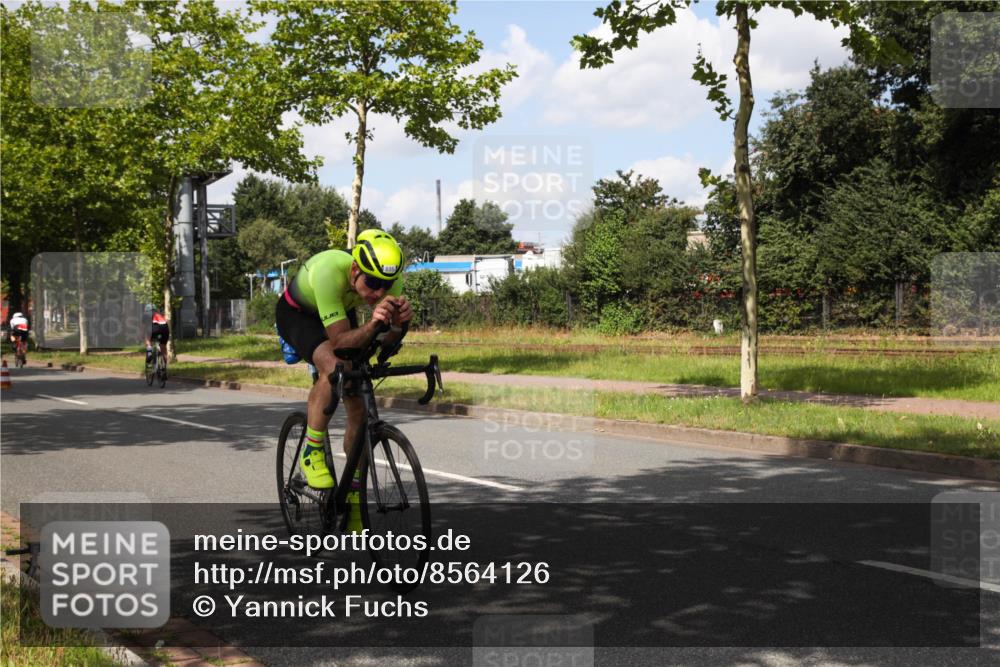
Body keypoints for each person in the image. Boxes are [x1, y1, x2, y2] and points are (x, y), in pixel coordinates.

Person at [275, 230, 411, 529]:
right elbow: (339, 343)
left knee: (356, 397)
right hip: (299, 314)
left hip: (338, 310)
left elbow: (386, 346)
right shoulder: (328, 271)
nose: (378, 292)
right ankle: (311, 450)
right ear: (354, 270)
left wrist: (400, 327)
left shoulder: (392, 284)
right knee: (335, 366)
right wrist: (376, 323)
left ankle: (352, 497)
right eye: (372, 283)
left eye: (385, 284)